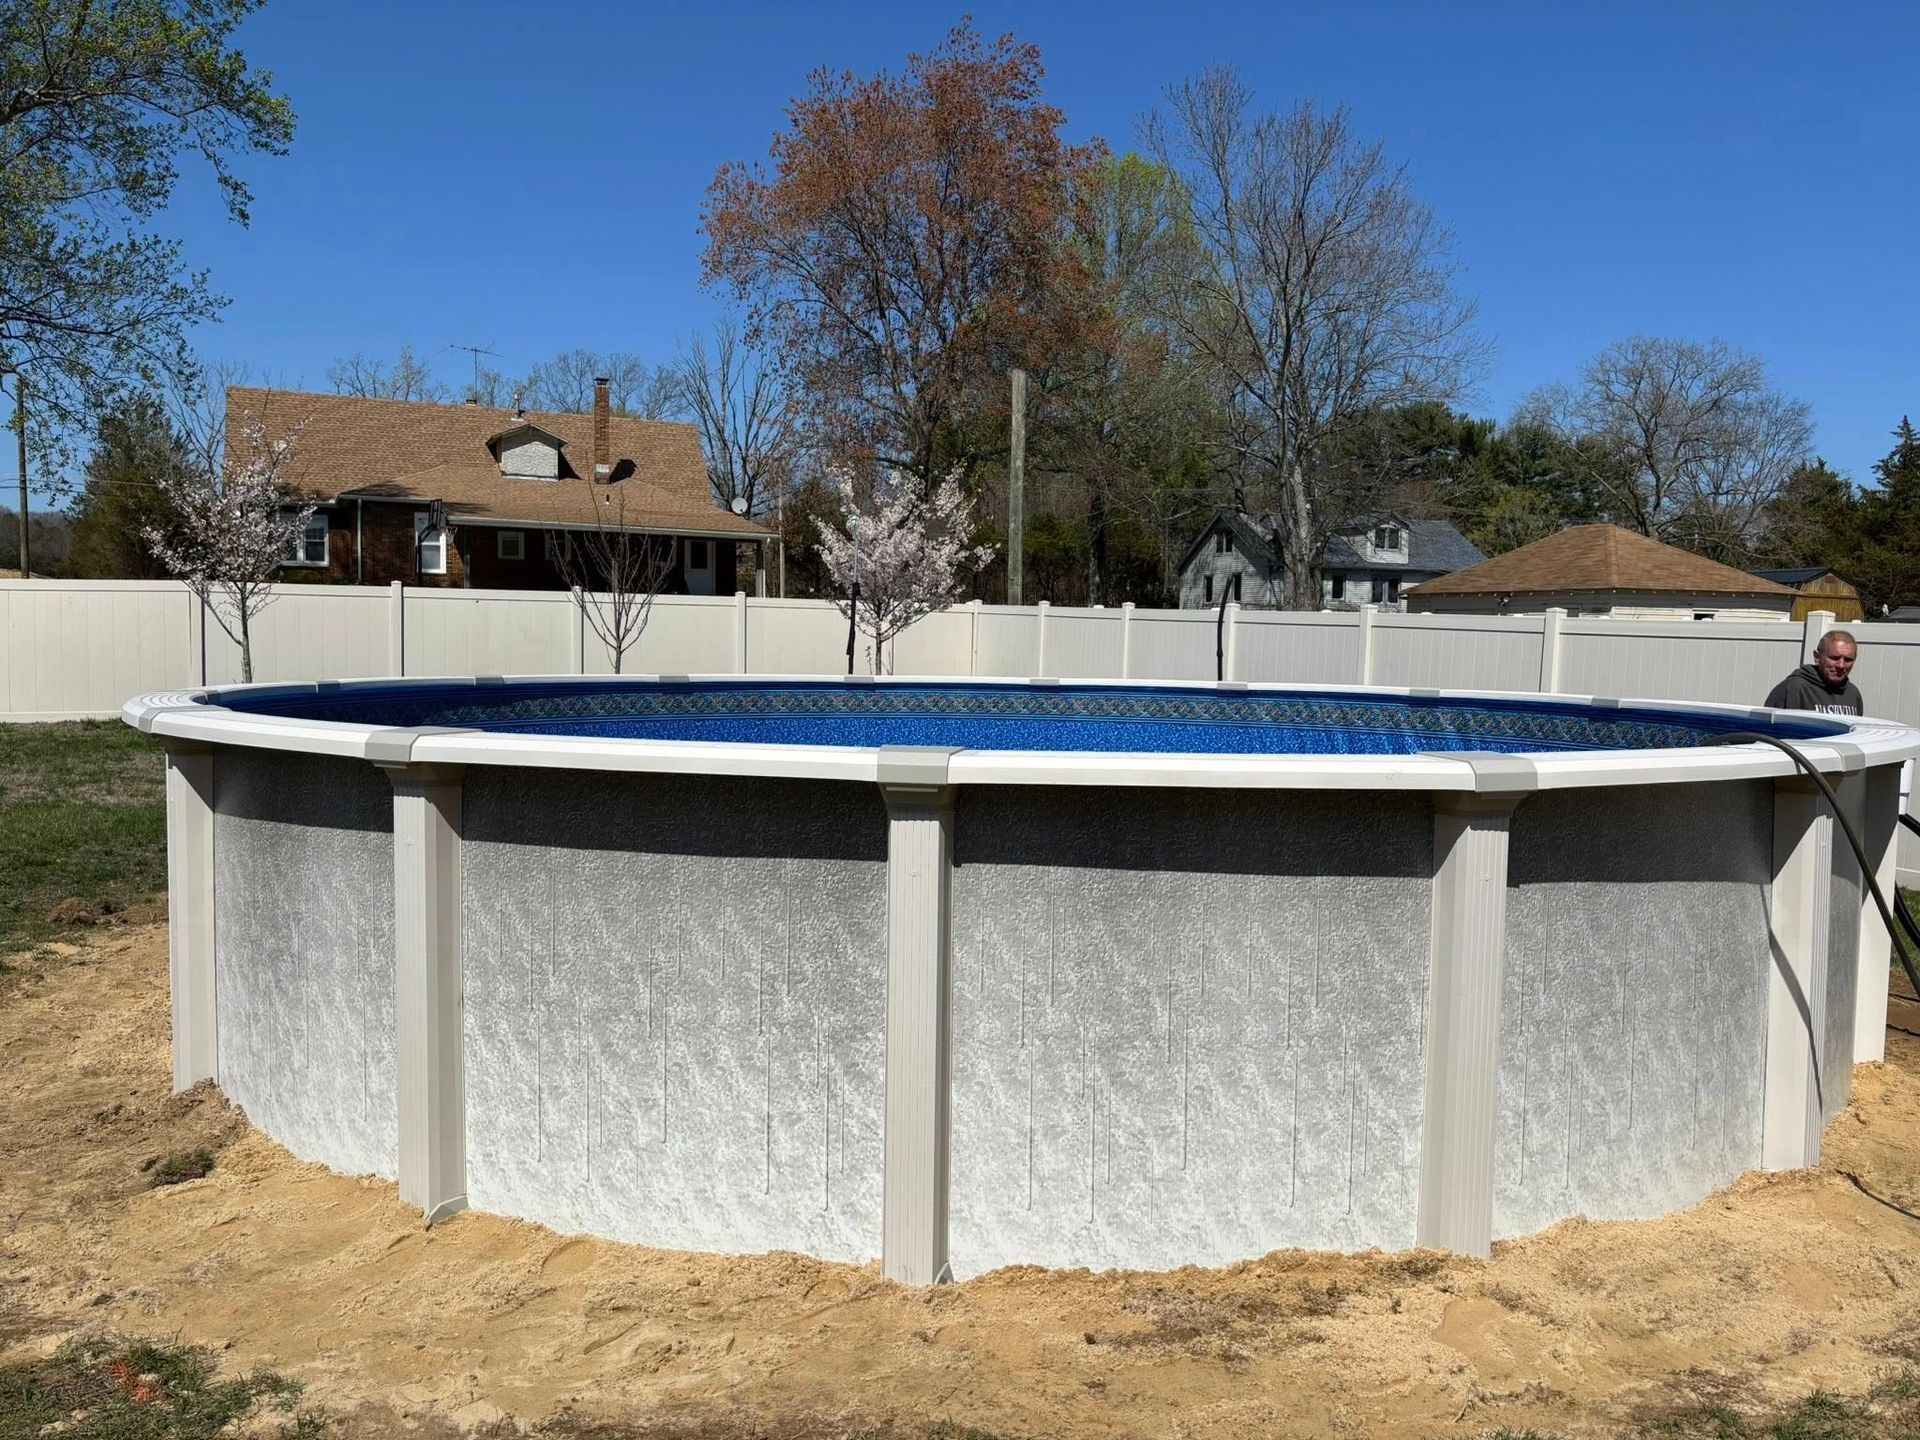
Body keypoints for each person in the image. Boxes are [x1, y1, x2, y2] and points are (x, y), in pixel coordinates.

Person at [1765, 630, 1864, 716]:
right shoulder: (1793, 689)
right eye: (1834, 658)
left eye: (1848, 660)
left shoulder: (1853, 694)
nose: (1841, 665)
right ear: (1817, 657)